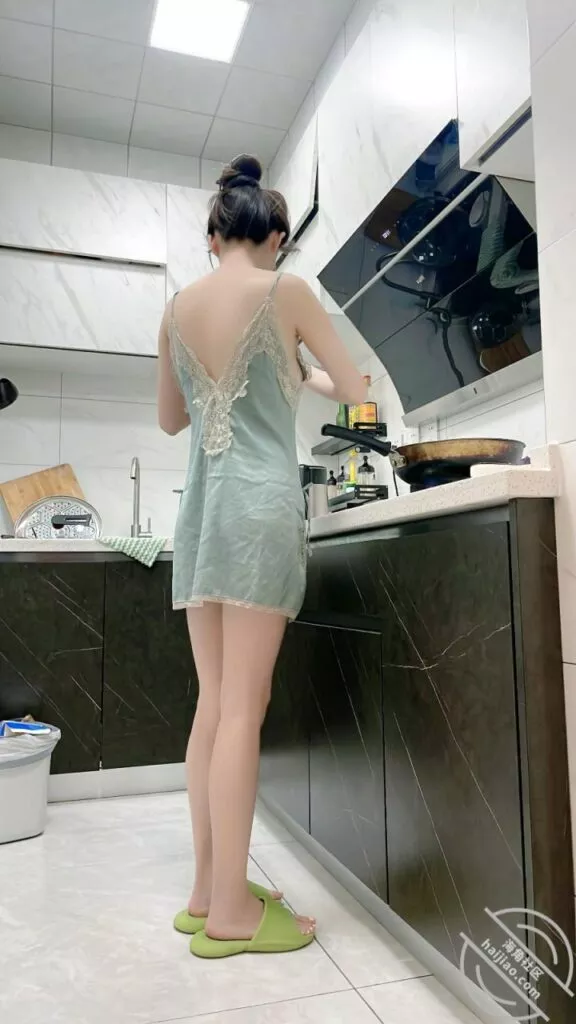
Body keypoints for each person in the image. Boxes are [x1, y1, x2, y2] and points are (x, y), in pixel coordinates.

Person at [157, 154, 367, 959]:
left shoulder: (175, 308)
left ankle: (208, 890)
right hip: (259, 514)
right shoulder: (288, 291)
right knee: (245, 708)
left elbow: (172, 419)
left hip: (202, 517)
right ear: (276, 237)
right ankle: (232, 913)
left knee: (213, 705)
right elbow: (355, 389)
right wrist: (302, 372)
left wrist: (280, 371)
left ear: (214, 237)